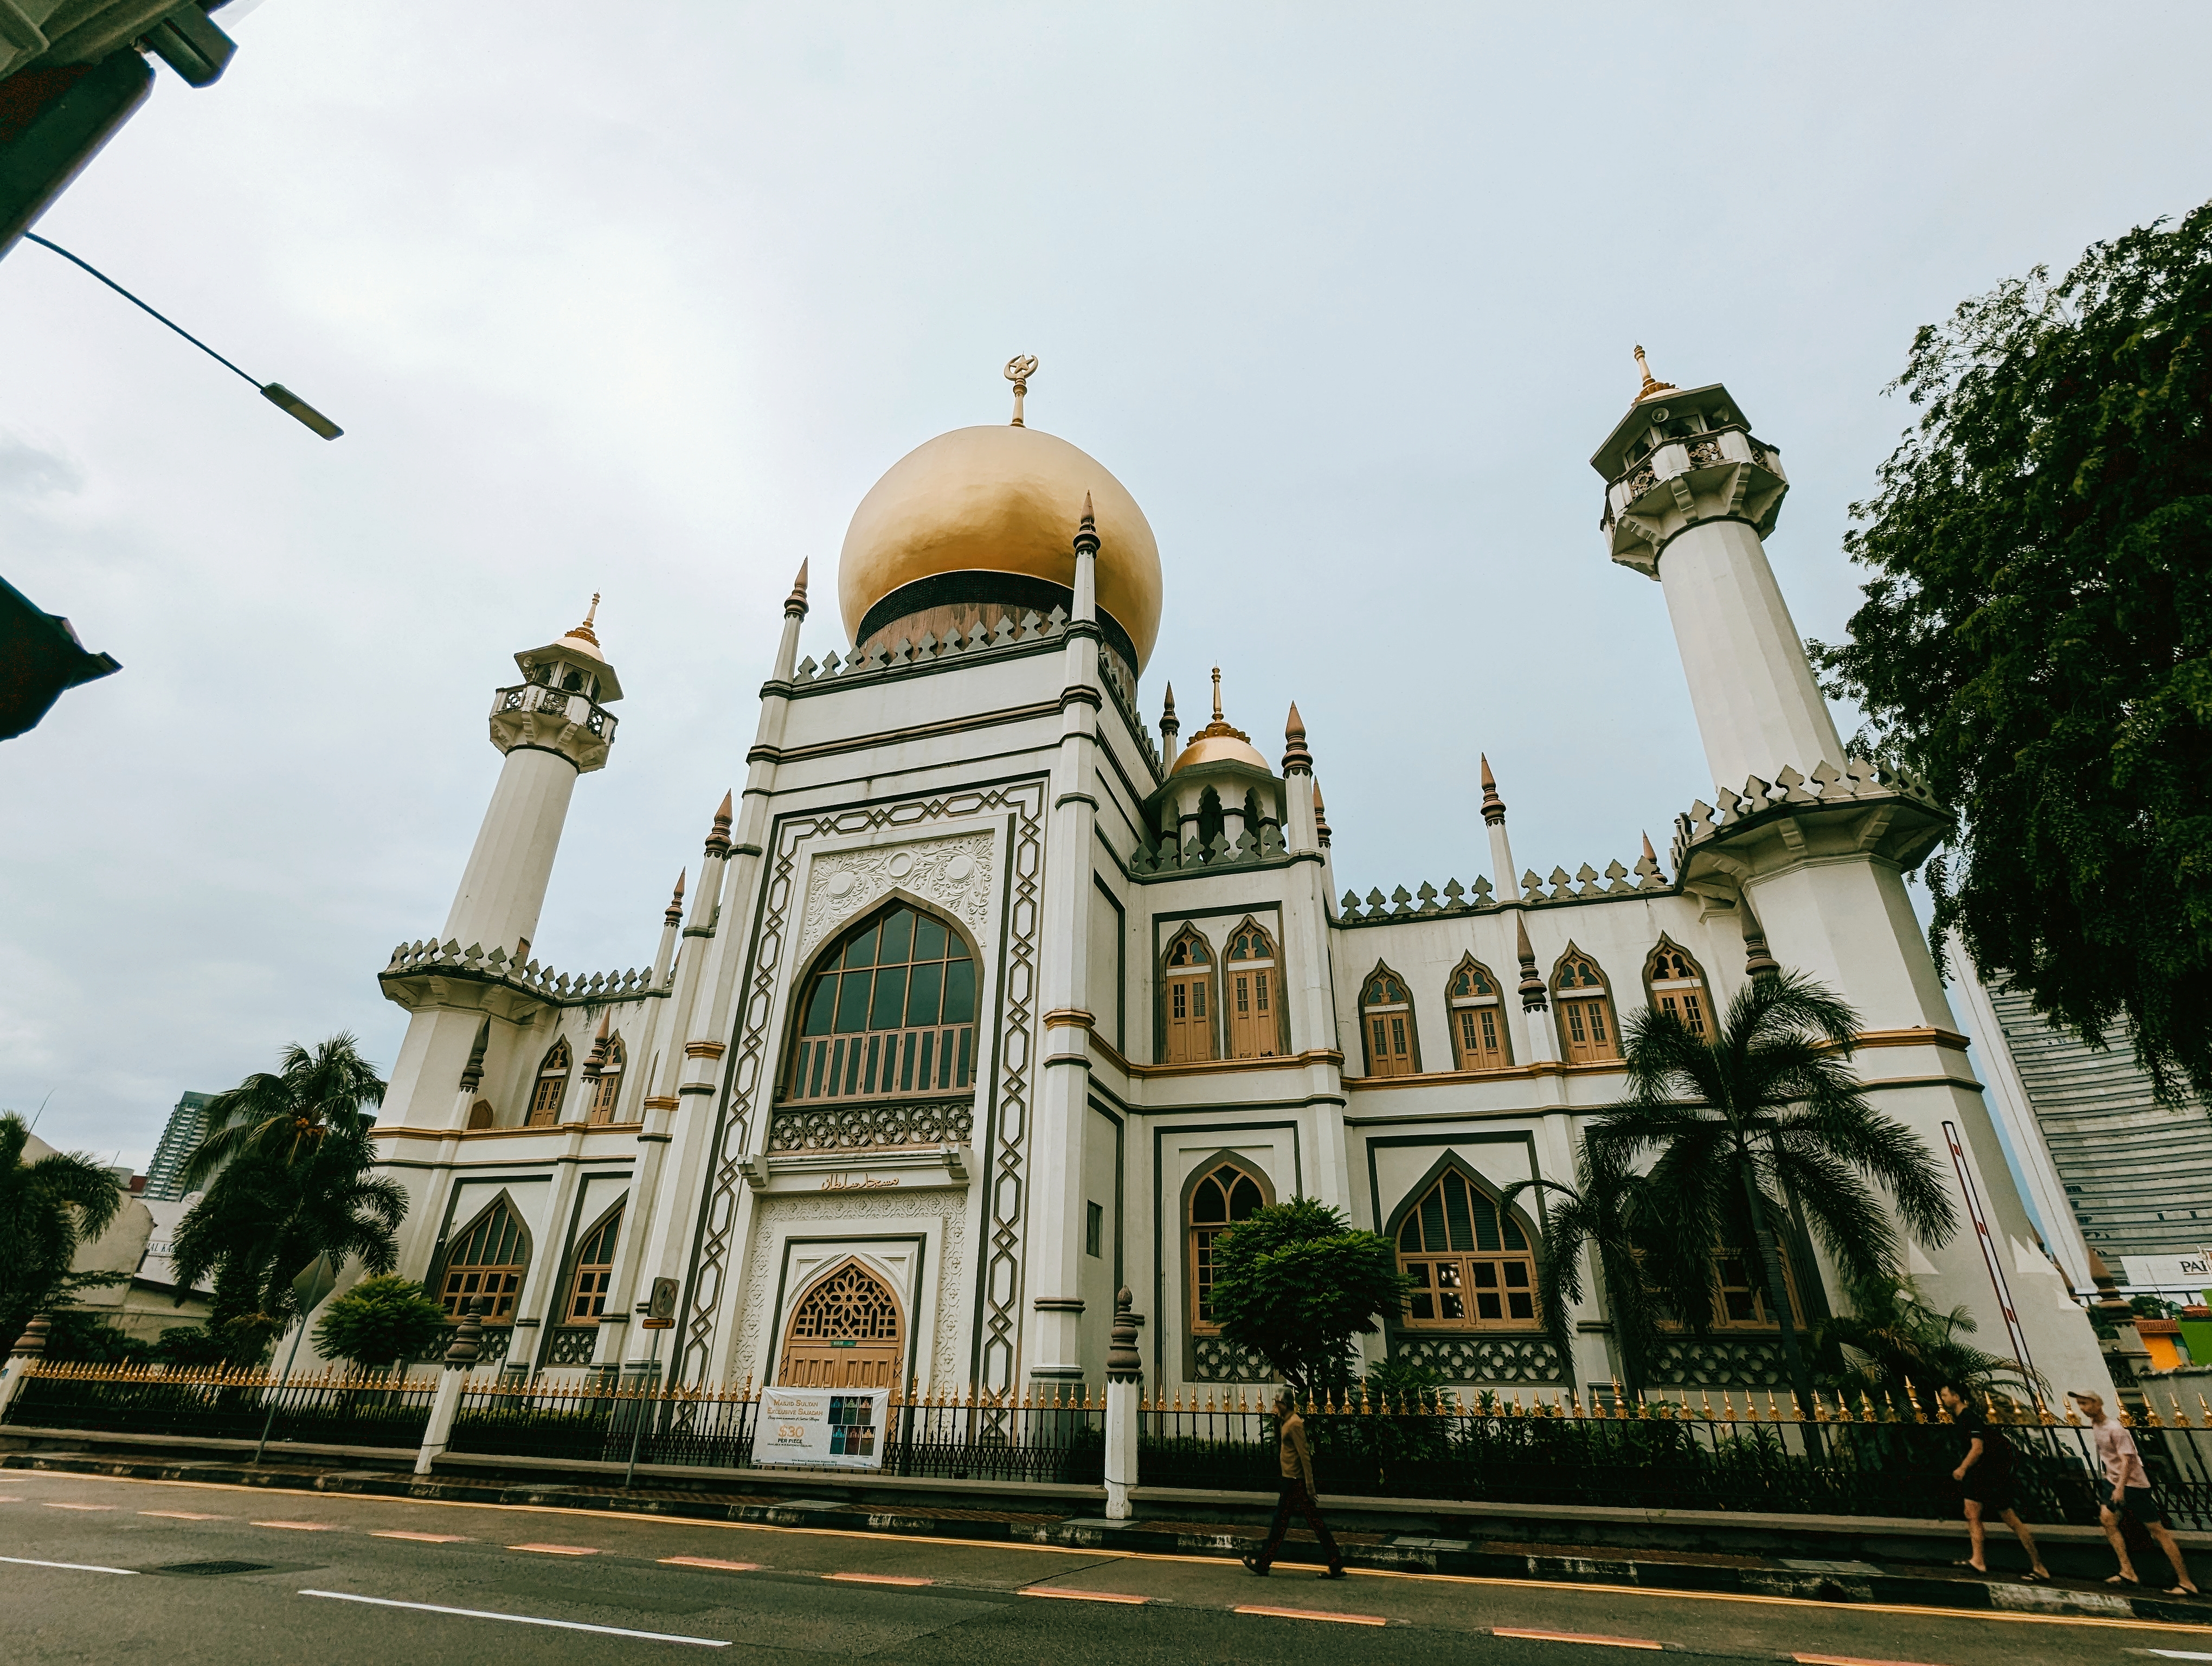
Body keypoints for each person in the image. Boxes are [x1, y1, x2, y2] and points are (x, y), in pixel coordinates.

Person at [2067, 1389, 2199, 1596]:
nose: (2083, 1409)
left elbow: (2129, 1460)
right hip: (2113, 1482)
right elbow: (2108, 1456)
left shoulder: (2116, 1429)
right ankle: (2127, 1572)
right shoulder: (2096, 1425)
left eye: (2086, 1404)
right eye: (2080, 1404)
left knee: (2157, 1531)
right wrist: (2107, 1478)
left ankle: (2186, 1582)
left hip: (2133, 1485)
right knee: (2108, 1521)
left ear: (2098, 1404)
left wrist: (2120, 1488)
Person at [1937, 1381, 2049, 1580]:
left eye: (1945, 1395)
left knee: (2011, 1520)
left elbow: (1977, 1448)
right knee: (1972, 1514)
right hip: (1979, 1474)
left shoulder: (1970, 1418)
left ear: (1956, 1396)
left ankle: (2039, 1567)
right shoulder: (1962, 1419)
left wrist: (1963, 1468)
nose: (1943, 1399)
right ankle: (1978, 1561)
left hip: (1988, 1475)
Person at [1240, 1386, 1346, 1578]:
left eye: (1278, 1403)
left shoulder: (1295, 1424)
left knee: (1287, 1524)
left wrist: (1310, 1485)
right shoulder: (1286, 1422)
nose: (1275, 1406)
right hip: (1291, 1481)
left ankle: (1264, 1562)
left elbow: (1304, 1455)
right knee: (1296, 1524)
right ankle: (1335, 1563)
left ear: (1285, 1404)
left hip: (1296, 1483)